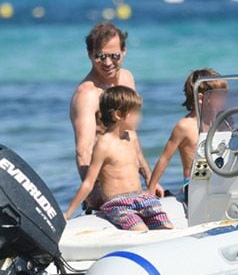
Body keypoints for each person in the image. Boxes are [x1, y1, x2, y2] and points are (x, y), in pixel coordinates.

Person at [69, 22, 162, 209]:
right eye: (100, 56)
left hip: (131, 187)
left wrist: (150, 180)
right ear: (89, 54)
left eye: (114, 56)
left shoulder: (127, 79)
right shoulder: (87, 95)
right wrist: (95, 197)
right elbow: (83, 151)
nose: (108, 63)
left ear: (124, 51)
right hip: (106, 195)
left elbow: (130, 136)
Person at [65, 86, 173, 231]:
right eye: (135, 113)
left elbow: (140, 160)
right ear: (118, 115)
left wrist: (151, 184)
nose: (139, 117)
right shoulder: (103, 145)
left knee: (167, 227)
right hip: (118, 203)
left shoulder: (131, 136)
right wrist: (68, 213)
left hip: (141, 198)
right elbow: (89, 182)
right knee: (141, 231)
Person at [147, 69, 226, 202]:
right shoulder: (185, 126)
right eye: (220, 96)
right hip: (195, 183)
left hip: (218, 179)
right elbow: (164, 158)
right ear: (202, 98)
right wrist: (150, 189)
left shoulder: (220, 122)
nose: (225, 100)